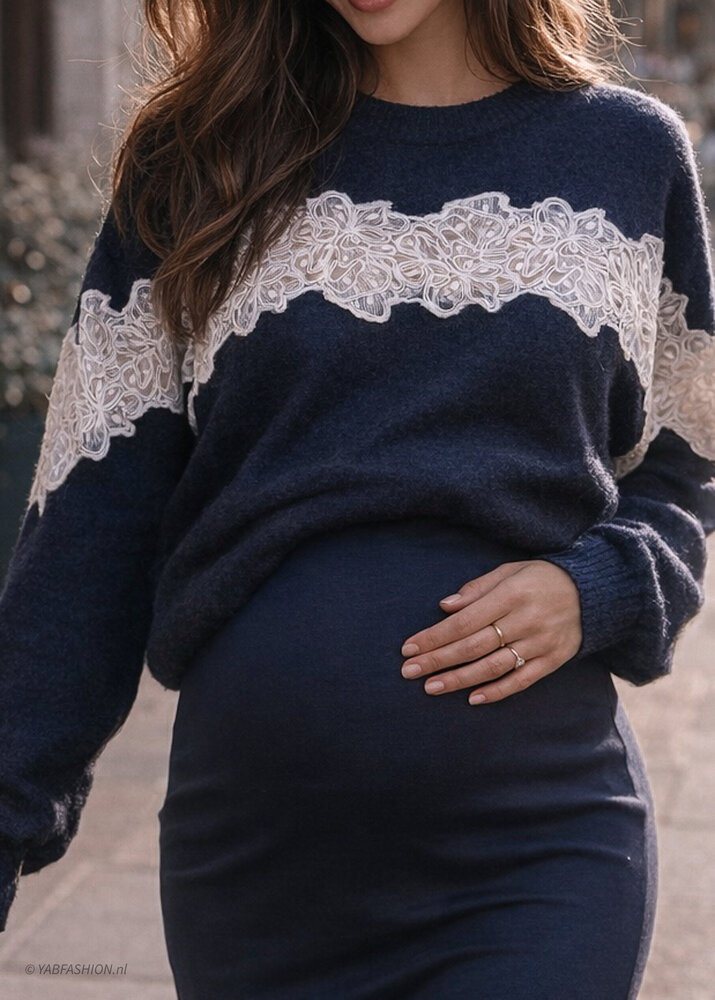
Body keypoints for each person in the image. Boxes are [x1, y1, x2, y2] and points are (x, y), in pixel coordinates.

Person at [1, 0, 714, 997]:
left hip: (537, 842)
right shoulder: (197, 157)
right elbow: (93, 519)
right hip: (261, 863)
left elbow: (684, 462)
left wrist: (603, 584)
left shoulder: (626, 152)